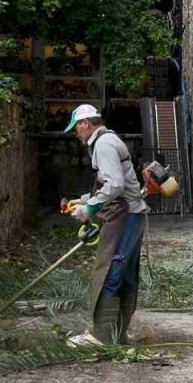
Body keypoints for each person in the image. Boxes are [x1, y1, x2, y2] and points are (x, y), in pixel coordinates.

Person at [64, 103, 149, 346]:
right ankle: (118, 332)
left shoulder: (103, 144)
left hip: (125, 217)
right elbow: (110, 184)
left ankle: (101, 336)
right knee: (126, 275)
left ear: (85, 124)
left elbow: (115, 185)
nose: (76, 133)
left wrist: (90, 208)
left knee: (110, 272)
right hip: (131, 214)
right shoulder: (108, 141)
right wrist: (82, 200)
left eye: (76, 128)